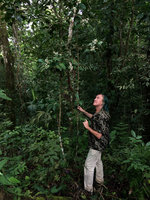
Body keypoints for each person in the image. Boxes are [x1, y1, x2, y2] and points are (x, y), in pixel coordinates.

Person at [77, 94, 110, 194]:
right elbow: (94, 118)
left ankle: (88, 190)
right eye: (95, 97)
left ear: (102, 103)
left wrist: (87, 127)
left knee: (88, 166)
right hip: (101, 144)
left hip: (97, 144)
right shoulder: (99, 113)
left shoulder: (102, 116)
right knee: (98, 162)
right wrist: (83, 111)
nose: (95, 99)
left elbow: (100, 135)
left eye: (98, 98)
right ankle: (100, 183)